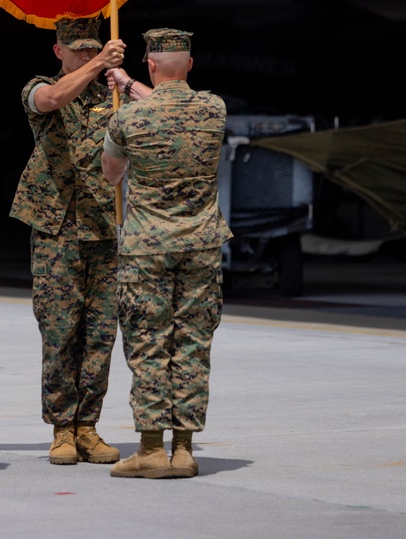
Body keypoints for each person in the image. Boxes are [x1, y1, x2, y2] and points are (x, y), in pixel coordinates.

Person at [102, 28, 232, 479]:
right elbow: (174, 102)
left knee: (149, 344)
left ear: (151, 65)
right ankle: (185, 449)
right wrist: (130, 85)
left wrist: (126, 89)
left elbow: (111, 172)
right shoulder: (215, 109)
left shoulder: (127, 121)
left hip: (146, 249)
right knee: (193, 346)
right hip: (201, 245)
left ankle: (151, 449)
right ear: (190, 64)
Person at [9, 17, 128, 466]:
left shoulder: (114, 94)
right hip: (56, 225)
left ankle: (88, 426)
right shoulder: (40, 87)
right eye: (77, 49)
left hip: (105, 225)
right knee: (60, 330)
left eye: (92, 48)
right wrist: (98, 62)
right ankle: (61, 426)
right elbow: (53, 99)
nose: (85, 54)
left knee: (100, 333)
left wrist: (127, 81)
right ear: (58, 51)